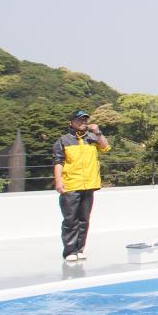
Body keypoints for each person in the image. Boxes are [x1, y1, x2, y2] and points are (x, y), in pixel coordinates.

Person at [52, 110, 110, 262]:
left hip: (89, 184)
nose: (82, 122)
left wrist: (98, 132)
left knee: (84, 219)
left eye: (84, 120)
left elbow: (105, 147)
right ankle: (70, 251)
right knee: (70, 219)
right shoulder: (63, 140)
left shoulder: (91, 138)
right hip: (71, 184)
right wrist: (58, 181)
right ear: (70, 122)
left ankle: (80, 249)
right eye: (79, 120)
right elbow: (58, 162)